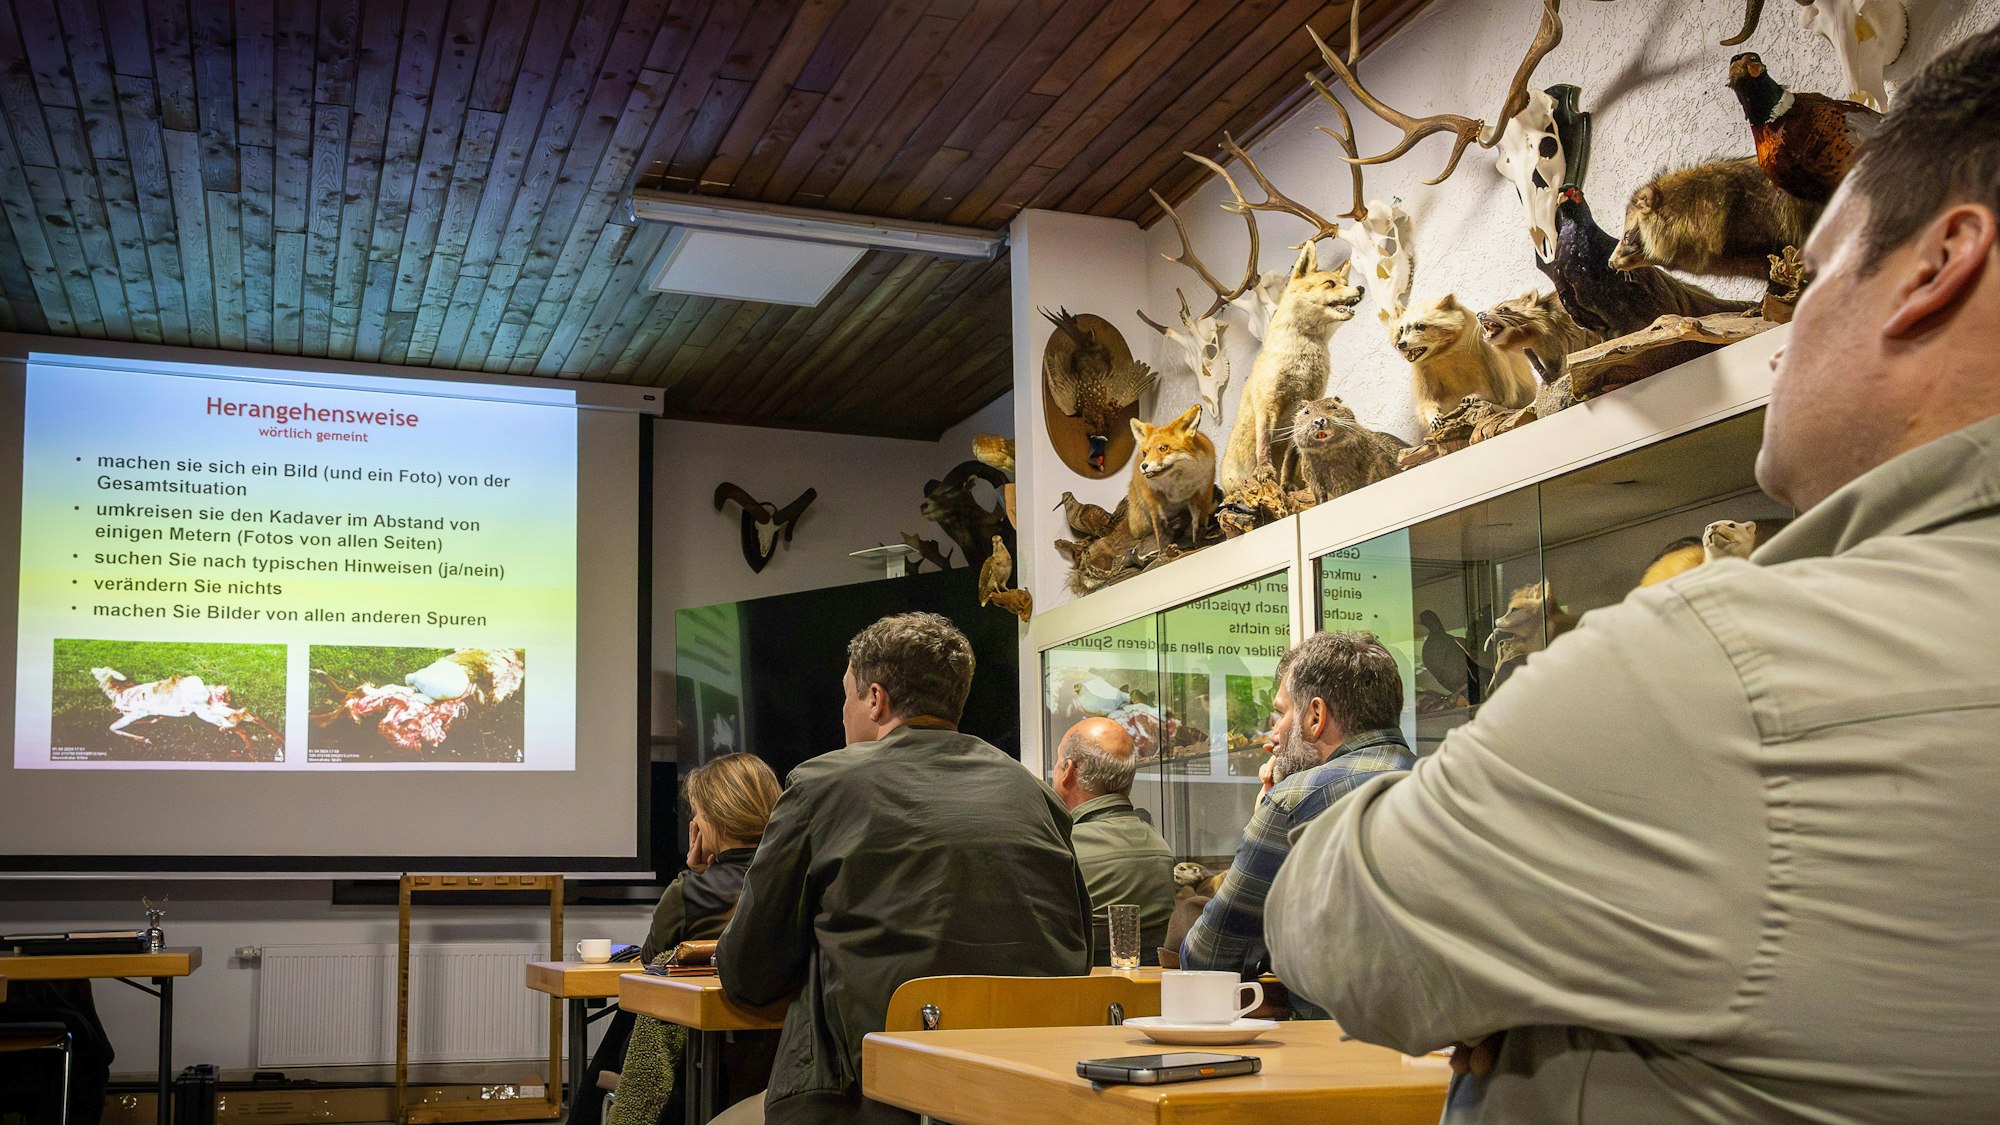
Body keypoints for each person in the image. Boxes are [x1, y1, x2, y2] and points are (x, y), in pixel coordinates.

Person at [1266, 23, 2000, 1122]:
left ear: (1938, 266)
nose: (1787, 317)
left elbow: (1335, 932)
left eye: (1820, 268)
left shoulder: (1715, 677)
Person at [716, 612, 1092, 1125]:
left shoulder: (819, 786)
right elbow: (1078, 956)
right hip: (1024, 1098)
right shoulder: (1038, 796)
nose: (842, 714)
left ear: (875, 699)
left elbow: (747, 974)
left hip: (866, 1099)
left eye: (846, 696)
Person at [1179, 631, 1410, 1001]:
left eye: (1281, 712)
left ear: (1316, 716)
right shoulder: (1454, 784)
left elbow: (1207, 960)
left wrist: (1265, 816)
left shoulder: (1294, 801)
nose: (1274, 733)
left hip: (1337, 1047)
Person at [574, 753, 783, 1125]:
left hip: (692, 1064)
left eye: (698, 813)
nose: (693, 821)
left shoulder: (688, 893)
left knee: (627, 1019)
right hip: (778, 1063)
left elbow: (653, 963)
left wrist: (694, 873)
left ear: (714, 821)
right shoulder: (795, 883)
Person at [1051, 717, 1176, 964]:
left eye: (1056, 763)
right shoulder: (1160, 846)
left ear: (1068, 771)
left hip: (1080, 993)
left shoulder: (1062, 849)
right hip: (1147, 995)